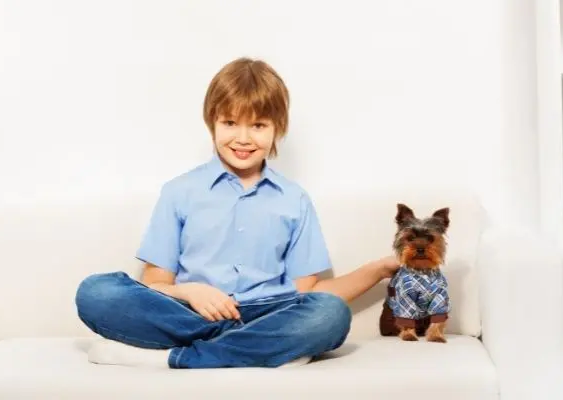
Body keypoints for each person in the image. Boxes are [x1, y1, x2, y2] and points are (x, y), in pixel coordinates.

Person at [74, 57, 400, 369]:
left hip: (266, 313)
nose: (242, 138)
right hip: (189, 311)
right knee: (96, 292)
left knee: (330, 314)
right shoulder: (179, 192)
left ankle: (174, 357)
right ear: (212, 123)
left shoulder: (294, 200)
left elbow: (309, 294)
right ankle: (261, 349)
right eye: (230, 123)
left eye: (258, 125)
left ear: (277, 129)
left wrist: (377, 269)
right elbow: (156, 283)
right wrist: (191, 291)